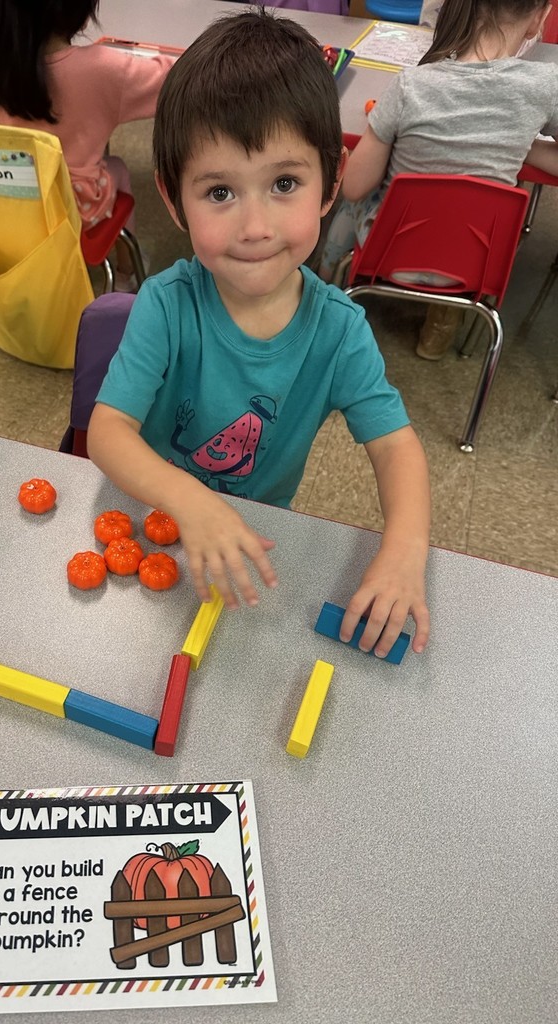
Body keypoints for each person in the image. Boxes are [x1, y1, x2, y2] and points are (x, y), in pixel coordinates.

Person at [87, 10, 431, 659]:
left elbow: (397, 449)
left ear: (330, 183)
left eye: (283, 184)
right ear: (174, 197)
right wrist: (190, 500)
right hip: (158, 518)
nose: (254, 226)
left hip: (254, 542)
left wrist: (406, 551)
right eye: (219, 192)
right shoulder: (166, 304)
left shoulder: (339, 333)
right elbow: (108, 432)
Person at [319, 0, 558, 359]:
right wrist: (521, 144)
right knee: (475, 214)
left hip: (391, 253)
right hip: (478, 266)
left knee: (348, 206)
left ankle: (324, 295)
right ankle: (438, 332)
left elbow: (354, 186)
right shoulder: (545, 86)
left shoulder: (410, 85)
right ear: (539, 17)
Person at [0, 0, 176, 291]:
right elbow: (171, 78)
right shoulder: (106, 68)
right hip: (74, 208)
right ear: (81, 14)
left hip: (14, 197)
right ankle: (126, 274)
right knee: (120, 168)